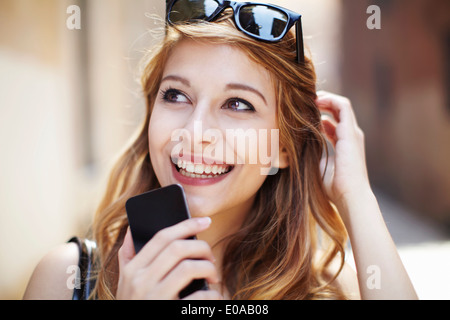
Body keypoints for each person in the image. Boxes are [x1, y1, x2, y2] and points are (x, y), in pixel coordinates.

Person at [23, 0, 417, 300]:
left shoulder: (329, 289)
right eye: (175, 95)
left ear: (282, 148)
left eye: (238, 104)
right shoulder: (66, 280)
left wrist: (356, 196)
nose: (195, 134)